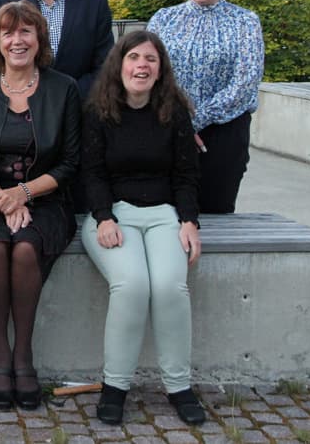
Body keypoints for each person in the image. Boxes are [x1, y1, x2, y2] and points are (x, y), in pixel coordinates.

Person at [0, 1, 81, 411]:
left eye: (26, 31)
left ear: (39, 38)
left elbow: (70, 162)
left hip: (46, 198)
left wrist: (23, 194)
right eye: (8, 32)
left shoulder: (63, 88)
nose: (17, 40)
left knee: (25, 247)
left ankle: (23, 355)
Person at [81, 30, 205, 425]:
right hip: (113, 215)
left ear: (160, 69)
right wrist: (103, 216)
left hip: (164, 214)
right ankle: (115, 387)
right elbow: (92, 173)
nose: (142, 65)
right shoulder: (98, 111)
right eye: (134, 57)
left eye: (150, 59)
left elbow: (186, 174)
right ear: (119, 65)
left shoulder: (174, 111)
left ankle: (179, 386)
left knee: (170, 286)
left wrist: (189, 221)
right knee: (132, 285)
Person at [148, 0, 264, 214]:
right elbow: (148, 73)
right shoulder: (164, 19)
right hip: (168, 128)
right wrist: (179, 123)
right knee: (165, 214)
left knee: (216, 214)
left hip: (223, 134)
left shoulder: (245, 22)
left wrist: (195, 120)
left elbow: (245, 82)